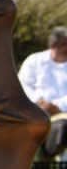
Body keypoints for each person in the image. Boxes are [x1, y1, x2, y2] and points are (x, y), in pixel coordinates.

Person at [18, 26, 67, 158]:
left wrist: (57, 106)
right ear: (58, 44)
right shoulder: (34, 60)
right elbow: (23, 85)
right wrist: (39, 102)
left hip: (62, 115)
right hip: (34, 113)